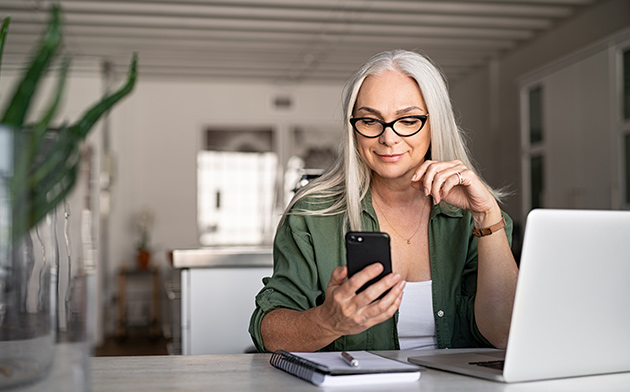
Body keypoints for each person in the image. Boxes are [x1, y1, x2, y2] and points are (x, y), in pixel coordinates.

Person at [249, 49, 519, 353]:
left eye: (407, 120)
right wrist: (328, 321)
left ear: (435, 124)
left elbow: (505, 334)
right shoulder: (312, 214)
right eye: (369, 121)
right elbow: (269, 333)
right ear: (354, 129)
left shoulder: (477, 217)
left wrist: (487, 217)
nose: (388, 138)